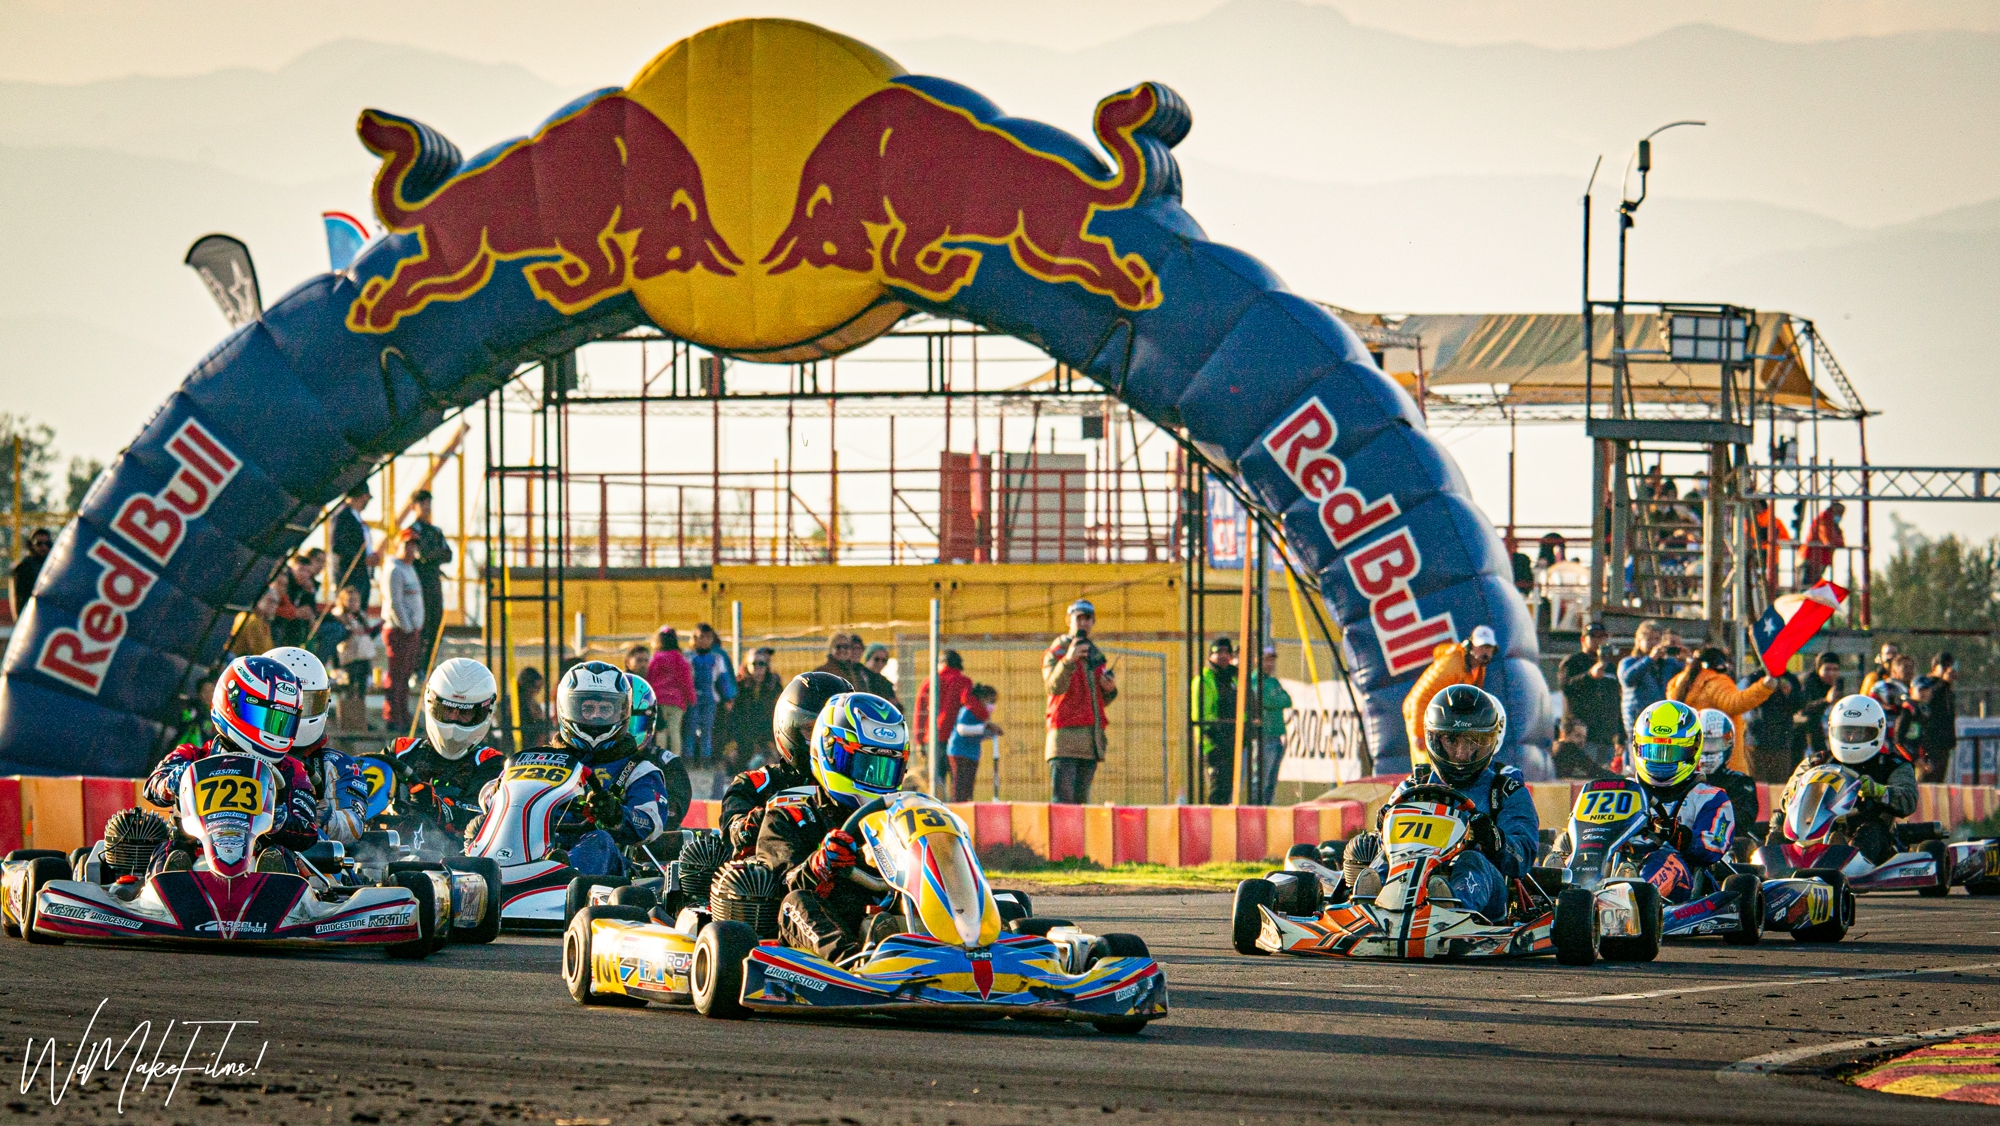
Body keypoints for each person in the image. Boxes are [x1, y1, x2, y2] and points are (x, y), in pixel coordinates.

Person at [1344, 685, 1537, 921]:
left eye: (1473, 742)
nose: (1461, 754)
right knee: (1385, 855)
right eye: (1452, 741)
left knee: (1471, 860)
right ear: (1434, 739)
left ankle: (1451, 907)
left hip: (1486, 891)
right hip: (1413, 875)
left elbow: (1523, 857)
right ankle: (1367, 902)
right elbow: (1383, 840)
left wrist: (1494, 840)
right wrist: (1384, 828)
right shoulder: (1412, 786)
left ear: (1489, 742)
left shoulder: (1506, 791)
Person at [755, 691, 909, 963]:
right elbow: (780, 887)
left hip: (886, 912)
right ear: (831, 754)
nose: (876, 778)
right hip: (825, 922)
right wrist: (820, 865)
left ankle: (976, 945)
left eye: (887, 768)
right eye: (866, 764)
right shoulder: (788, 815)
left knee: (1005, 900)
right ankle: (852, 965)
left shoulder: (898, 818)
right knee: (796, 903)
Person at [500, 661, 684, 877]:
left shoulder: (638, 769)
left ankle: (560, 878)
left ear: (623, 711)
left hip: (603, 873)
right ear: (567, 708)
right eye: (587, 709)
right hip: (533, 849)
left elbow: (650, 822)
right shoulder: (537, 759)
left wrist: (617, 815)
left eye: (605, 709)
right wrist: (487, 802)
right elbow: (496, 792)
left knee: (599, 840)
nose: (596, 716)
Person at [144, 656, 321, 874]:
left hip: (259, 863)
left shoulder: (291, 770)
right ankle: (164, 891)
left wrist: (279, 819)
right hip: (196, 856)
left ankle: (276, 890)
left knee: (280, 853)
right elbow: (153, 787)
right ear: (233, 704)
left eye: (281, 721)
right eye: (265, 717)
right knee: (170, 848)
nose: (274, 730)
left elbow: (308, 831)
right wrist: (172, 780)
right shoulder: (193, 755)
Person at [1772, 694, 1917, 865]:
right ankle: (1773, 864)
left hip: (1867, 831)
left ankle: (1846, 860)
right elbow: (1785, 798)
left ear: (1877, 732)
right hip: (1813, 829)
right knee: (1780, 821)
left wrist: (1879, 791)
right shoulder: (1815, 762)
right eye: (1846, 732)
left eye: (1859, 733)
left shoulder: (1893, 765)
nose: (1851, 738)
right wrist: (1796, 793)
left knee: (1872, 830)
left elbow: (1908, 799)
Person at [720, 670, 850, 854]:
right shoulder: (755, 784)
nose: (823, 742)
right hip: (774, 876)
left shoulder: (856, 788)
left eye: (833, 733)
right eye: (810, 729)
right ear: (788, 726)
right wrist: (775, 814)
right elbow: (736, 836)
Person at [1626, 700, 1737, 904]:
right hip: (1620, 864)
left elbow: (1715, 845)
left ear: (1693, 749)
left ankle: (1633, 901)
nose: (1660, 761)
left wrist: (1679, 836)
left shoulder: (1710, 797)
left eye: (1671, 753)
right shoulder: (1626, 791)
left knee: (1661, 860)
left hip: (1683, 876)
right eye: (1652, 752)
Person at [386, 658, 505, 839]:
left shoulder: (491, 764)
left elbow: (479, 820)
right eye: (448, 709)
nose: (453, 720)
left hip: (453, 860)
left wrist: (433, 804)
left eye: (464, 713)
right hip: (386, 856)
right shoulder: (400, 751)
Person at [265, 646, 368, 847]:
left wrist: (324, 816)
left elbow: (354, 826)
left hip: (312, 863)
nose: (295, 711)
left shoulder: (335, 764)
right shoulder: (239, 756)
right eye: (287, 703)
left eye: (306, 703)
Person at [1043, 599, 1116, 805]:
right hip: (1064, 741)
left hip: (1090, 742)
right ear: (1069, 621)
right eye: (1079, 618)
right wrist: (1068, 660)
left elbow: (1097, 700)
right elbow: (1053, 687)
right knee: (1063, 804)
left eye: (1088, 619)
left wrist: (1109, 689)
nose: (1083, 624)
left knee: (1081, 805)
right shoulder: (1056, 652)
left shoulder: (1095, 655)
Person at [1665, 647, 1778, 774]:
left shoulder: (1679, 682)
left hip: (1688, 755)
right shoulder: (1715, 682)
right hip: (1719, 755)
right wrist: (1764, 687)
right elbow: (1735, 703)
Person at [1402, 624, 1498, 766]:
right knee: (1427, 767)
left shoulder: (1477, 668)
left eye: (1489, 648)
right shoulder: (1452, 665)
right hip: (1421, 716)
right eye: (1482, 647)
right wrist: (1419, 732)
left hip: (1439, 720)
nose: (1485, 652)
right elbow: (1421, 697)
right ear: (1470, 646)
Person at [378, 529, 424, 734]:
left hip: (411, 630)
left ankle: (403, 713)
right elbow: (394, 602)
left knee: (405, 674)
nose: (411, 550)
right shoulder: (394, 570)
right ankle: (392, 714)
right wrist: (406, 626)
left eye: (414, 545)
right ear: (398, 546)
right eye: (407, 545)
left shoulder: (410, 569)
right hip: (399, 630)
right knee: (396, 675)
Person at [1560, 622, 1622, 768]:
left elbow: (1615, 700)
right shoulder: (1573, 661)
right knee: (1581, 775)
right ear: (1583, 639)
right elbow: (1565, 686)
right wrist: (1589, 676)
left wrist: (1620, 735)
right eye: (1593, 636)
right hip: (1582, 735)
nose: (1599, 640)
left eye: (1603, 636)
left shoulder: (1610, 666)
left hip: (1606, 735)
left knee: (1605, 778)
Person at [407, 489, 453, 675]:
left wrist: (431, 555)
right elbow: (423, 555)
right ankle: (417, 668)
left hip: (433, 583)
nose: (426, 508)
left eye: (428, 503)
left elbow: (448, 554)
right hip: (419, 584)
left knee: (435, 624)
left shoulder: (434, 531)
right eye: (422, 503)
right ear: (414, 506)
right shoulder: (412, 531)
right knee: (421, 626)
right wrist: (434, 554)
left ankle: (427, 666)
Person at [1697, 708, 1760, 842]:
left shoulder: (1739, 782)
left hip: (1723, 847)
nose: (1707, 750)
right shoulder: (1683, 781)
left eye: (1712, 744)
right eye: (1703, 744)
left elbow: (1742, 822)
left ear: (1727, 745)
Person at [913, 649, 972, 786]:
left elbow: (920, 714)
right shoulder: (964, 682)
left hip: (934, 739)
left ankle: (936, 806)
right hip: (959, 739)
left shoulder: (929, 683)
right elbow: (970, 705)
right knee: (959, 785)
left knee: (935, 783)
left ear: (942, 663)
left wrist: (919, 741)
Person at [687, 622, 738, 774]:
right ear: (694, 639)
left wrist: (728, 697)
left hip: (710, 699)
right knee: (690, 729)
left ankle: (705, 761)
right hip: (692, 699)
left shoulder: (716, 658)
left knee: (707, 730)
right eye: (701, 637)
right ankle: (688, 761)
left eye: (708, 637)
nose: (704, 640)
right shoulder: (689, 657)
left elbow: (723, 679)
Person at [1193, 637, 1239, 804]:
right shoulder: (1205, 680)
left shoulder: (1232, 678)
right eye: (1218, 652)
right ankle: (1212, 827)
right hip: (1213, 745)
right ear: (1210, 656)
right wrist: (1218, 738)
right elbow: (1202, 716)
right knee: (1217, 790)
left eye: (1227, 652)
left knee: (1228, 791)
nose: (1224, 656)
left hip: (1231, 743)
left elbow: (1242, 707)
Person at [1617, 620, 1683, 735]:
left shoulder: (1668, 664)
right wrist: (1650, 659)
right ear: (1638, 641)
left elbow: (1687, 679)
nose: (1654, 643)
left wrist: (1689, 661)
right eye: (1649, 639)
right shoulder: (1629, 662)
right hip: (1639, 724)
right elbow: (1627, 679)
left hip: (1663, 723)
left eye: (1657, 639)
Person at [329, 585, 377, 732]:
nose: (353, 604)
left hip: (362, 656)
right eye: (350, 601)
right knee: (349, 689)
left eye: (356, 601)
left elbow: (367, 634)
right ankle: (348, 721)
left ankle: (360, 720)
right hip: (348, 658)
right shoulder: (339, 617)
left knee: (361, 689)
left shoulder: (360, 616)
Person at [727, 647, 783, 773]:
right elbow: (734, 717)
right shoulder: (739, 686)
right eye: (754, 663)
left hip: (767, 736)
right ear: (747, 665)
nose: (758, 667)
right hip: (744, 738)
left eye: (761, 663)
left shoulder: (774, 686)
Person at [1745, 663, 1802, 783]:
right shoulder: (1756, 677)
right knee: (1759, 786)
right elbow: (1748, 703)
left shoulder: (1790, 679)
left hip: (1781, 741)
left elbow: (1798, 705)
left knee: (1778, 784)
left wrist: (1788, 693)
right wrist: (1765, 688)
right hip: (1757, 741)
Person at [947, 683, 1003, 802]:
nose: (992, 706)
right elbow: (962, 729)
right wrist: (985, 727)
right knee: (959, 783)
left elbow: (978, 733)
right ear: (982, 698)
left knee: (969, 784)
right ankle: (957, 807)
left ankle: (966, 805)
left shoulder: (982, 714)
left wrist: (990, 733)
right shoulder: (968, 710)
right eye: (991, 701)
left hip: (972, 753)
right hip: (959, 751)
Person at [645, 627, 693, 758]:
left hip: (659, 700)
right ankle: (674, 758)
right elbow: (686, 681)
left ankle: (661, 757)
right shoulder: (680, 660)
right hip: (677, 701)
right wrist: (691, 698)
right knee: (675, 731)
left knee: (661, 730)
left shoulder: (656, 659)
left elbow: (649, 679)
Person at [1253, 646, 1292, 805]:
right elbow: (1265, 701)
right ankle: (1255, 813)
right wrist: (1274, 699)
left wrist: (1273, 699)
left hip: (1276, 736)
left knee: (1271, 782)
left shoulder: (1273, 681)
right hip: (1264, 736)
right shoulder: (1254, 681)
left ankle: (1266, 810)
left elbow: (1287, 700)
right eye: (1266, 660)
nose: (1270, 664)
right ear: (1258, 661)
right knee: (1260, 780)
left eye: (1272, 660)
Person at [330, 482, 377, 606]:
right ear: (363, 496)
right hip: (350, 577)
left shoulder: (355, 517)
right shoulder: (342, 516)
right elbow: (337, 545)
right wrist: (363, 559)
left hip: (360, 576)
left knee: (358, 616)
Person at [270, 551, 322, 649]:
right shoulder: (285, 582)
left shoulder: (305, 588)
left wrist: (310, 594)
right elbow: (277, 607)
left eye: (308, 572)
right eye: (301, 570)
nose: (304, 575)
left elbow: (310, 610)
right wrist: (296, 612)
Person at [1551, 716, 1616, 781]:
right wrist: (1622, 779)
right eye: (1578, 735)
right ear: (1564, 735)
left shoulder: (1555, 746)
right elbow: (1595, 771)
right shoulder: (1569, 748)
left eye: (1584, 737)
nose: (1582, 741)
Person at [9, 525, 52, 620]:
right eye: (39, 543)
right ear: (31, 545)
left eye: (47, 544)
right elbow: (18, 599)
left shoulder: (54, 566)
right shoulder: (23, 567)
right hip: (31, 618)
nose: (44, 547)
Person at [1800, 502, 1845, 587]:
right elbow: (1827, 539)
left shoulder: (1832, 524)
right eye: (1839, 513)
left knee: (1813, 584)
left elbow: (1839, 541)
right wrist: (1836, 542)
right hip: (1812, 557)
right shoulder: (1824, 519)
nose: (1841, 516)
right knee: (1808, 585)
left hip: (1821, 558)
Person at [229, 585, 281, 658]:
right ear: (259, 599)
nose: (274, 606)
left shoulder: (263, 622)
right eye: (271, 601)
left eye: (276, 602)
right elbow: (260, 652)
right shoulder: (250, 619)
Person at [514, 666, 549, 749]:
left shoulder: (532, 702)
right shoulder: (514, 703)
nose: (537, 691)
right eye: (536, 688)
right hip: (523, 745)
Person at [857, 642, 900, 708]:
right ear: (868, 659)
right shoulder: (858, 676)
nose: (880, 663)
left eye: (884, 660)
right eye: (876, 659)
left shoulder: (886, 683)